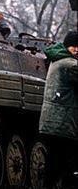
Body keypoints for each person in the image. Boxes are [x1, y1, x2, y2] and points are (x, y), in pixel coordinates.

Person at [39, 30, 78, 186]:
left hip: (53, 123)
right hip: (63, 124)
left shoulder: (57, 60)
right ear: (67, 46)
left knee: (54, 165)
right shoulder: (70, 64)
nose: (77, 49)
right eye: (74, 46)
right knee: (65, 166)